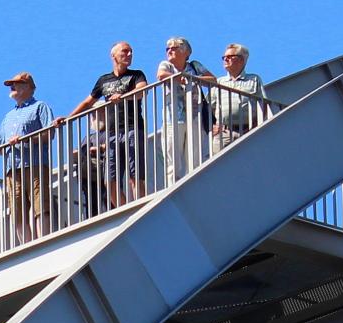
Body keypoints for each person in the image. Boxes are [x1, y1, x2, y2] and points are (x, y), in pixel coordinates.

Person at [72, 42, 150, 210]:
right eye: (125, 51)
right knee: (110, 181)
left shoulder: (136, 75)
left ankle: (141, 208)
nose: (129, 54)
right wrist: (68, 118)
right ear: (113, 55)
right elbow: (88, 102)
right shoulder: (104, 80)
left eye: (131, 52)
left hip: (132, 129)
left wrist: (123, 96)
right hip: (111, 133)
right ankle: (126, 211)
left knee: (135, 176)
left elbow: (142, 91)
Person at [0, 71, 59, 242]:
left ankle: (42, 240)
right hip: (12, 169)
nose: (12, 87)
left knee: (40, 204)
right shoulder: (8, 116)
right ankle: (25, 245)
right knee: (17, 210)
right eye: (11, 85)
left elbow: (49, 133)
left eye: (16, 84)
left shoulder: (40, 107)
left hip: (34, 164)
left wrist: (25, 139)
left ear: (28, 87)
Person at [152, 36, 215, 184]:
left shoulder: (194, 66)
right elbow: (161, 75)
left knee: (195, 156)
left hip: (195, 116)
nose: (169, 51)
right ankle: (173, 187)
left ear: (185, 51)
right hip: (173, 117)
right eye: (167, 48)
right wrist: (180, 77)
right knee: (172, 157)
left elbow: (213, 80)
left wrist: (194, 79)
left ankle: (194, 185)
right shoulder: (166, 65)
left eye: (173, 48)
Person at [216, 42, 266, 147]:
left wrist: (256, 126)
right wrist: (212, 126)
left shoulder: (254, 79)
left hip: (248, 131)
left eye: (230, 56)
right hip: (223, 133)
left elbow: (263, 104)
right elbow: (206, 107)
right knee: (220, 158)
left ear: (241, 59)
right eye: (224, 57)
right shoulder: (219, 82)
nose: (225, 59)